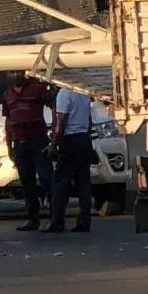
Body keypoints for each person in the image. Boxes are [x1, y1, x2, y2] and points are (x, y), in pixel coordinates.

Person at [1, 71, 56, 232]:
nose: (15, 75)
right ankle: (33, 218)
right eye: (12, 73)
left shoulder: (36, 89)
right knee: (27, 182)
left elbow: (53, 104)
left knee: (46, 178)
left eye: (17, 72)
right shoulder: (8, 95)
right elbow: (8, 120)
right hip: (20, 143)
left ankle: (55, 216)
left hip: (38, 141)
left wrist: (54, 129)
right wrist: (9, 145)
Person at [45, 84, 97, 233]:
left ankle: (57, 221)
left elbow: (61, 120)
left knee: (60, 182)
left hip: (70, 140)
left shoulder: (64, 94)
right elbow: (89, 119)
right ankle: (84, 222)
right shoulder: (84, 93)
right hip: (83, 139)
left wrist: (54, 144)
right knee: (83, 183)